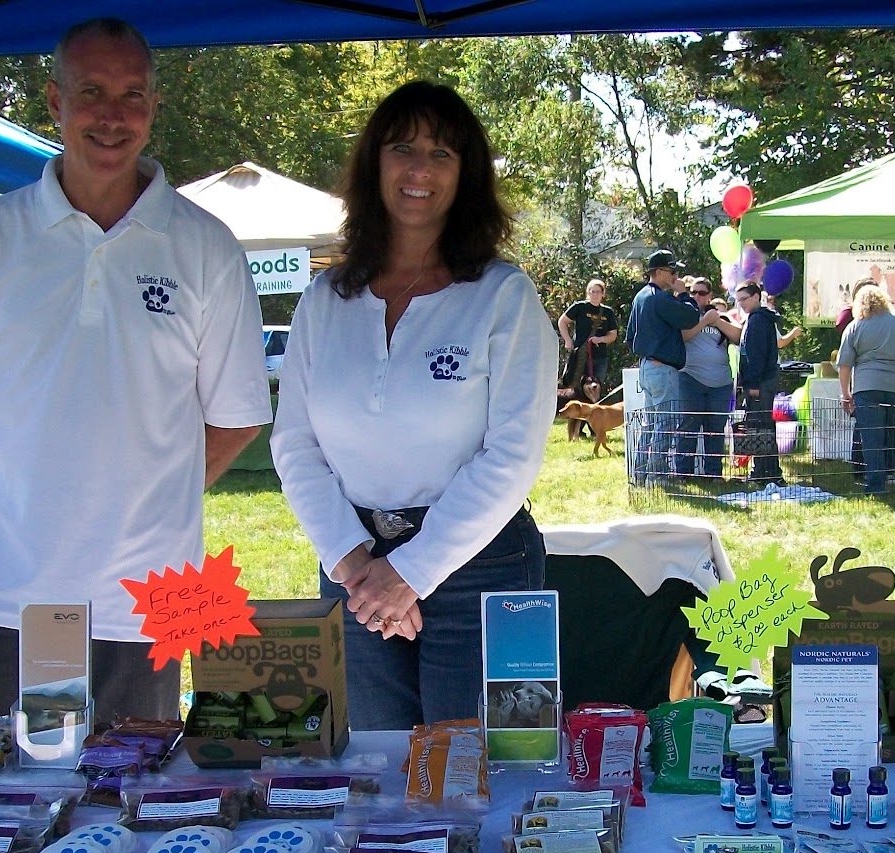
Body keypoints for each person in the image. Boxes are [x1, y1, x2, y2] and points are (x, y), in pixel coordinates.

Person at [0, 18, 270, 733]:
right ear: (55, 101)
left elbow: (236, 418)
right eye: (91, 92)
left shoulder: (207, 246)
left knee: (128, 795)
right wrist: (25, 482)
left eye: (132, 94)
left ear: (154, 106)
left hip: (146, 598)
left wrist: (140, 498)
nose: (113, 115)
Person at [271, 82, 555, 731]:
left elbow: (513, 455)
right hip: (353, 568)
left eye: (441, 153)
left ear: (466, 175)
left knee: (490, 764)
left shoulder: (503, 296)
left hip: (483, 566)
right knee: (377, 764)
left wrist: (409, 572)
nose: (419, 169)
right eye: (402, 148)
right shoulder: (325, 298)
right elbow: (293, 443)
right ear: (374, 163)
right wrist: (354, 564)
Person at [837, 287, 895, 496]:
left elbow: (844, 365)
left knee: (872, 439)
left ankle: (875, 487)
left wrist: (845, 393)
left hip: (867, 388)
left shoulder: (855, 326)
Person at [625, 250, 702, 485]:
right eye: (671, 272)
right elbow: (690, 317)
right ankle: (658, 476)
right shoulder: (660, 298)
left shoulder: (640, 297)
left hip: (646, 367)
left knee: (649, 424)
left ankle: (639, 475)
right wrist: (684, 294)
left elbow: (630, 336)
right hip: (661, 368)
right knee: (665, 423)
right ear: (658, 272)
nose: (675, 276)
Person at [676, 277, 740, 479]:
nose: (696, 296)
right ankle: (684, 474)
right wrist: (704, 321)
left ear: (710, 296)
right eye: (693, 292)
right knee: (689, 425)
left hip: (721, 383)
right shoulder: (685, 315)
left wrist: (717, 320)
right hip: (691, 378)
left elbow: (739, 336)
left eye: (701, 293)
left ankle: (713, 474)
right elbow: (683, 336)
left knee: (715, 429)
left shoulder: (721, 317)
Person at [734, 281, 783, 484]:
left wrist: (753, 385)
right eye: (738, 301)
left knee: (760, 428)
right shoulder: (758, 319)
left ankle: (766, 473)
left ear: (756, 297)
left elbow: (757, 356)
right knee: (761, 426)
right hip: (763, 381)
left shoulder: (758, 321)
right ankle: (765, 471)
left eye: (744, 299)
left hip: (760, 384)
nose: (741, 304)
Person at [557, 279, 619, 391]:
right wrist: (568, 340)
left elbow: (613, 334)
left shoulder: (608, 312)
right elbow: (562, 321)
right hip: (580, 356)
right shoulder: (580, 307)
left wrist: (601, 339)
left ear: (603, 294)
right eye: (592, 291)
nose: (595, 295)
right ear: (588, 293)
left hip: (600, 357)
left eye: (598, 292)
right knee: (575, 388)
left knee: (595, 390)